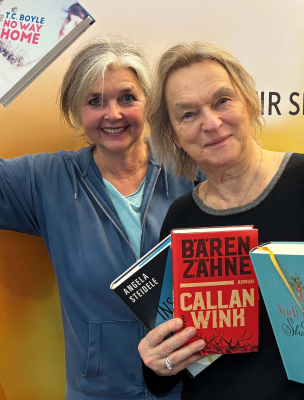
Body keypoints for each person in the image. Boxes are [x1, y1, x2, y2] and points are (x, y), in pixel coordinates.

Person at [138, 41, 304, 400]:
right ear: (173, 136)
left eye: (222, 101)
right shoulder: (181, 217)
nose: (211, 123)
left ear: (248, 103)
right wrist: (158, 365)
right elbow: (175, 352)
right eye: (188, 115)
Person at [0, 35, 201, 399]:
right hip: (100, 391)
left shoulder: (189, 169)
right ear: (76, 110)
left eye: (127, 98)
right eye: (95, 101)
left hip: (188, 387)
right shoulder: (46, 180)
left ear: (149, 102)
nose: (113, 114)